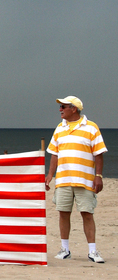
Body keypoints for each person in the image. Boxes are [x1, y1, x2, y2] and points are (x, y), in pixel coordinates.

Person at [45, 96, 107, 263]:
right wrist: (50, 175)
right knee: (63, 214)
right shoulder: (59, 128)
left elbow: (98, 154)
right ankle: (65, 249)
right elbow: (54, 154)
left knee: (87, 214)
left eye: (63, 106)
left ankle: (92, 251)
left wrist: (98, 176)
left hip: (85, 180)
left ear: (74, 109)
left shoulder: (91, 127)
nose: (60, 109)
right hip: (63, 179)